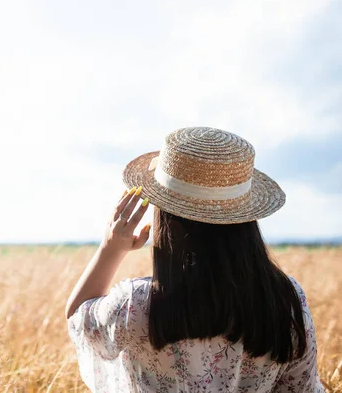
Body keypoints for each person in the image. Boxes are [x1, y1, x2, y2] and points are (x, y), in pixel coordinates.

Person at [65, 127, 325, 392]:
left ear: (164, 215)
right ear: (246, 218)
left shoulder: (135, 305)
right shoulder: (286, 300)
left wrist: (111, 249)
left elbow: (77, 319)